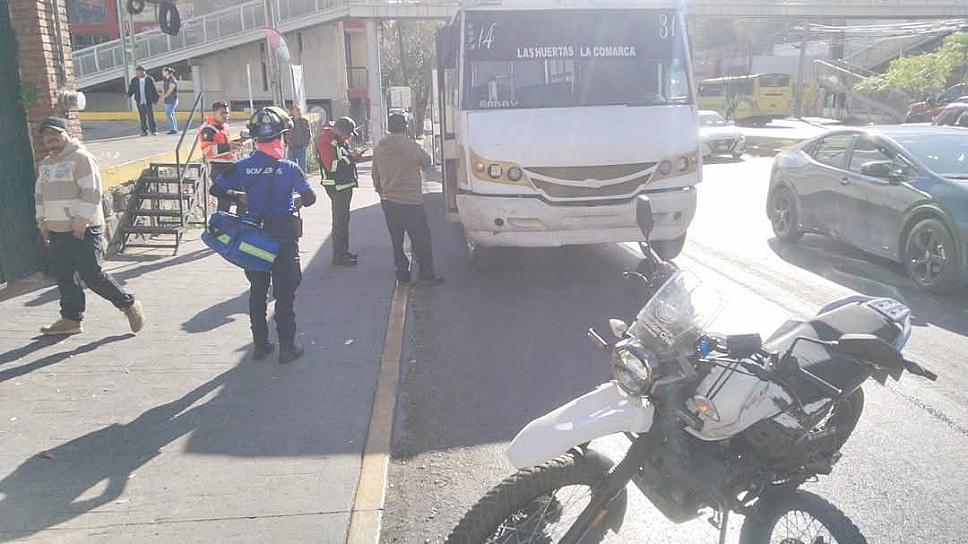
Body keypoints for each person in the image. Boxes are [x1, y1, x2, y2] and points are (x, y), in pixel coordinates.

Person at [209, 107, 317, 364]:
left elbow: (216, 188)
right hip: (283, 237)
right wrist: (296, 202)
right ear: (281, 137)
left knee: (257, 290)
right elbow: (310, 198)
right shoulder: (290, 168)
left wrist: (239, 196)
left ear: (255, 139)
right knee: (284, 293)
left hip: (254, 235)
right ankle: (287, 348)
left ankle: (260, 345)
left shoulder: (243, 167)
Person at [33, 117, 146, 336]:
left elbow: (92, 192)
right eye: (46, 135)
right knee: (65, 277)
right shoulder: (46, 165)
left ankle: (129, 304)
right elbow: (40, 197)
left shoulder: (81, 158)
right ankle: (71, 319)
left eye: (55, 133)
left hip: (82, 229)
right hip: (57, 231)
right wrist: (43, 224)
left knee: (93, 276)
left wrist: (79, 223)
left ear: (66, 134)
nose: (50, 138)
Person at [372, 113, 443, 285]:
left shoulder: (379, 148)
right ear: (405, 127)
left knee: (396, 239)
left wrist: (381, 191)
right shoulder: (411, 146)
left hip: (388, 201)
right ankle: (426, 274)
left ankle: (402, 273)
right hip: (411, 201)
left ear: (388, 128)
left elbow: (376, 176)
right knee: (420, 239)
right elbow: (427, 161)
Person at [315, 116, 363, 266]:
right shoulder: (326, 142)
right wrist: (351, 158)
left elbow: (343, 159)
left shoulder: (338, 140)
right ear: (338, 130)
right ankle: (339, 256)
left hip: (344, 185)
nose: (348, 137)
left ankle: (344, 252)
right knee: (339, 222)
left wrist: (353, 157)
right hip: (336, 186)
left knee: (343, 221)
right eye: (346, 133)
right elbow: (332, 166)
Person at [199, 101, 240, 212]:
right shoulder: (208, 129)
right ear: (214, 113)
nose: (226, 116)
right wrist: (228, 147)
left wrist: (233, 147)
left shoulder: (224, 126)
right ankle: (220, 225)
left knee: (240, 197)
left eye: (227, 113)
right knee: (224, 200)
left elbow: (225, 145)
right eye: (222, 113)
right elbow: (207, 151)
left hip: (231, 166)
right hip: (218, 167)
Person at [126, 66, 160, 136]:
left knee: (150, 116)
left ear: (143, 71)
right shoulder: (134, 80)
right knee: (142, 117)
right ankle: (144, 131)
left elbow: (154, 90)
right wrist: (128, 95)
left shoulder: (149, 79)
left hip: (148, 101)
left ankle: (153, 130)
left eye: (139, 72)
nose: (138, 73)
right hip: (139, 101)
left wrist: (156, 99)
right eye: (137, 72)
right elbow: (131, 88)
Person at [285, 105, 312, 172]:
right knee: (292, 167)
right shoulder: (289, 121)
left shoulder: (304, 121)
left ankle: (302, 181)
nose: (299, 112)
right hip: (292, 148)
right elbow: (285, 133)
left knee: (302, 168)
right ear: (292, 112)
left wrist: (306, 144)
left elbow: (308, 133)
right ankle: (293, 181)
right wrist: (288, 142)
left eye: (299, 110)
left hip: (301, 147)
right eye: (297, 110)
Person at [161, 67, 179, 135]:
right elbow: (165, 89)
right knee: (171, 114)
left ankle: (173, 129)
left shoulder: (172, 80)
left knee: (169, 113)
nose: (162, 73)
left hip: (172, 99)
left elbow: (170, 90)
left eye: (163, 72)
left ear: (167, 72)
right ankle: (174, 128)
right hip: (167, 100)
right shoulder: (165, 80)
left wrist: (164, 96)